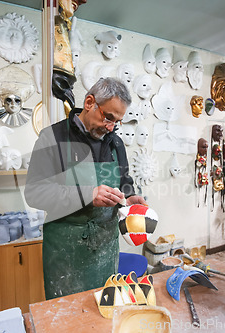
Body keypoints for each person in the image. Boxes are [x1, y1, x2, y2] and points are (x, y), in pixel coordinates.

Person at [25, 78, 146, 299]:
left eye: (117, 122)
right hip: (66, 250)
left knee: (105, 312)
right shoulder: (52, 138)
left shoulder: (115, 143)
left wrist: (129, 199)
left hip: (105, 248)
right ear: (90, 102)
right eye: (108, 117)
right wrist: (87, 195)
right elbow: (35, 192)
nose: (110, 127)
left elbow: (124, 182)